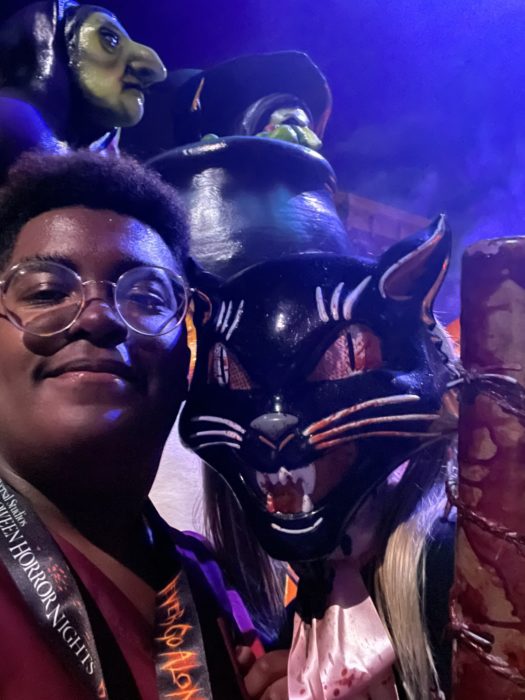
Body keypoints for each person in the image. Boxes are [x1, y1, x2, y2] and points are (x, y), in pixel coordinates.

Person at [0, 149, 287, 700]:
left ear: (186, 362)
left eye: (146, 297)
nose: (97, 315)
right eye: (46, 292)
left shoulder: (207, 583)